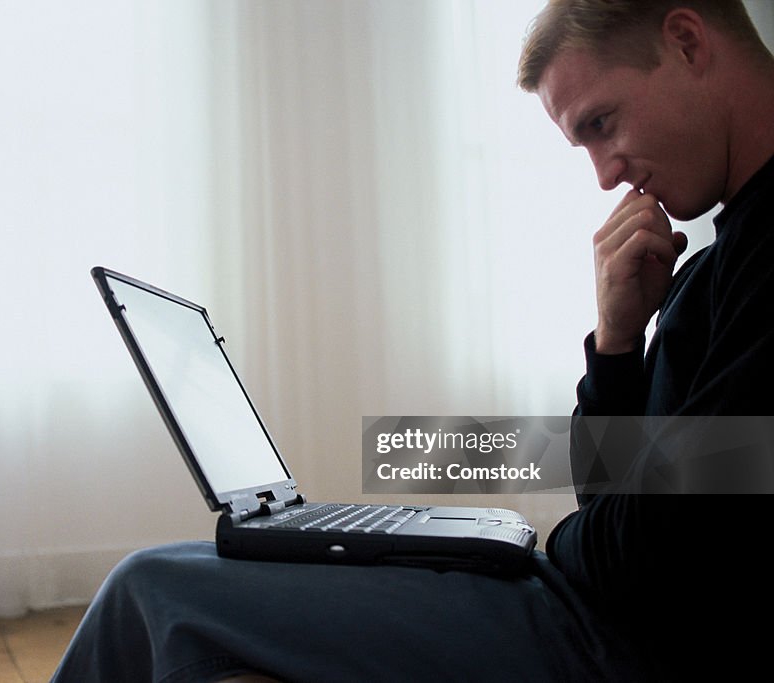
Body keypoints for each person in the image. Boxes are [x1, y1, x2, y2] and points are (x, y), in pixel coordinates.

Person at [53, 1, 774, 680]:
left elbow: (647, 553)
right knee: (188, 582)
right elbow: (625, 493)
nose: (605, 172)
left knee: (151, 590)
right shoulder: (715, 262)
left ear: (686, 41)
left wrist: (554, 543)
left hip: (606, 644)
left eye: (601, 123)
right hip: (585, 611)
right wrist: (617, 342)